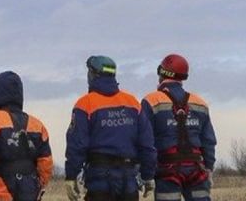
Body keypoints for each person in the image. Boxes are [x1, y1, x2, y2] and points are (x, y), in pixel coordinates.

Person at [63, 56, 156, 201]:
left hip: (99, 180)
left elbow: (77, 144)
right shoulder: (132, 102)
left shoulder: (85, 104)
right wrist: (148, 175)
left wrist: (71, 175)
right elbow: (147, 144)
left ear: (92, 74)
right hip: (128, 180)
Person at [141, 55, 216, 201]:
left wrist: (146, 173)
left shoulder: (151, 101)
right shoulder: (200, 103)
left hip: (167, 170)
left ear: (162, 73)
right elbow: (208, 141)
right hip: (197, 169)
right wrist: (209, 168)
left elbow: (145, 142)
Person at [0, 71, 52, 201]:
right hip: (31, 190)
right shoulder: (37, 124)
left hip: (0, 191)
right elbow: (46, 163)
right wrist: (39, 185)